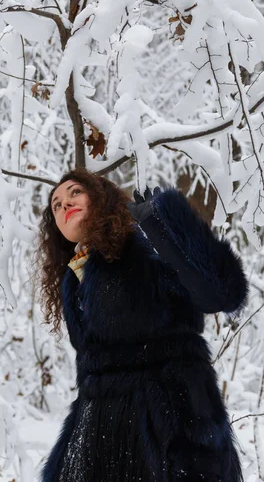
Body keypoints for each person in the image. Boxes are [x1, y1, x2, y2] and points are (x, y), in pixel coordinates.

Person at [35, 168, 248, 482]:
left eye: (74, 193)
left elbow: (222, 294)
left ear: (100, 198)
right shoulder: (73, 279)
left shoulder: (141, 252)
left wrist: (163, 227)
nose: (64, 204)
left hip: (174, 437)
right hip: (105, 443)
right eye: (56, 204)